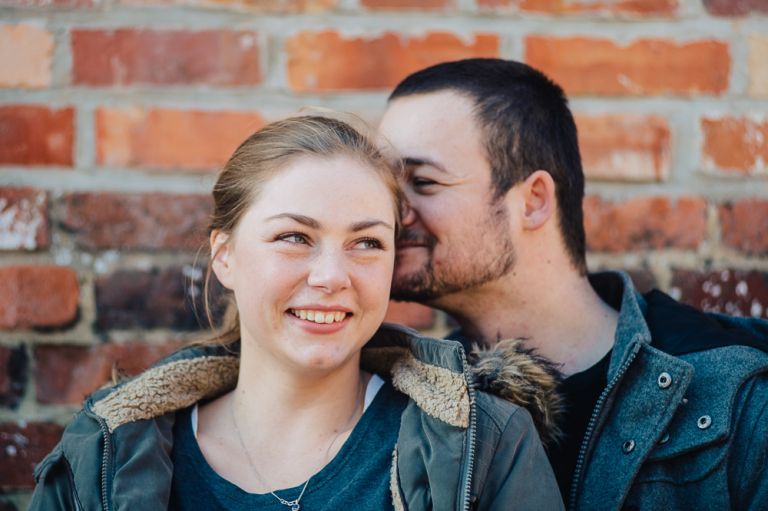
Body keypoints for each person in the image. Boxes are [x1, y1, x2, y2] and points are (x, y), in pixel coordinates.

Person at [29, 115, 565, 510]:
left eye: (367, 243)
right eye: (294, 237)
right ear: (225, 256)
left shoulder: (483, 444)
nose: (332, 276)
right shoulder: (106, 454)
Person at [378, 58, 768, 511]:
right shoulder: (408, 402)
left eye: (423, 182)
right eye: (388, 187)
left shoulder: (733, 396)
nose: (390, 212)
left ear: (533, 201)